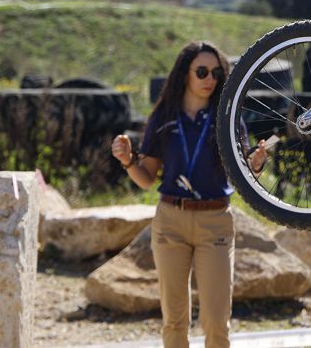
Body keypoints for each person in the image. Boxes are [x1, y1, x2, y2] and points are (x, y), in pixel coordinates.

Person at [110, 41, 269, 348]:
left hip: (216, 222)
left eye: (216, 73)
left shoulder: (227, 118)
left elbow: (244, 172)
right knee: (174, 321)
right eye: (202, 72)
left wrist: (256, 164)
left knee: (216, 322)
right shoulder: (163, 117)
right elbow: (146, 179)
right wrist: (128, 160)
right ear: (185, 73)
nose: (210, 79)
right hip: (170, 222)